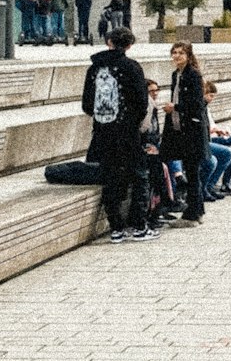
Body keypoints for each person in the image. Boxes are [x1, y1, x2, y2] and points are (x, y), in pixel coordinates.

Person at [81, 28, 154, 243]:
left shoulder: (94, 69)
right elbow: (142, 103)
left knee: (110, 177)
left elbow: (87, 105)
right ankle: (139, 227)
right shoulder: (131, 67)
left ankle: (116, 229)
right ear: (129, 45)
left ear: (108, 42)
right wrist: (132, 121)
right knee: (139, 175)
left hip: (103, 132)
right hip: (127, 131)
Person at [161, 41, 208, 224]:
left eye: (181, 53)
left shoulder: (193, 75)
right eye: (174, 52)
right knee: (190, 170)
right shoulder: (176, 75)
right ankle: (198, 210)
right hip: (179, 129)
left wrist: (176, 107)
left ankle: (192, 214)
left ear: (188, 55)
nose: (177, 56)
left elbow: (197, 104)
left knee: (192, 171)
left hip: (192, 131)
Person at [142, 78, 177, 227]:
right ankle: (160, 207)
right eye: (151, 91)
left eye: (157, 90)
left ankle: (163, 205)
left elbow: (155, 134)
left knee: (170, 158)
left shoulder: (153, 107)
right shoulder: (145, 107)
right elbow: (141, 133)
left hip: (152, 147)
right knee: (158, 167)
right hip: (142, 149)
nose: (155, 93)